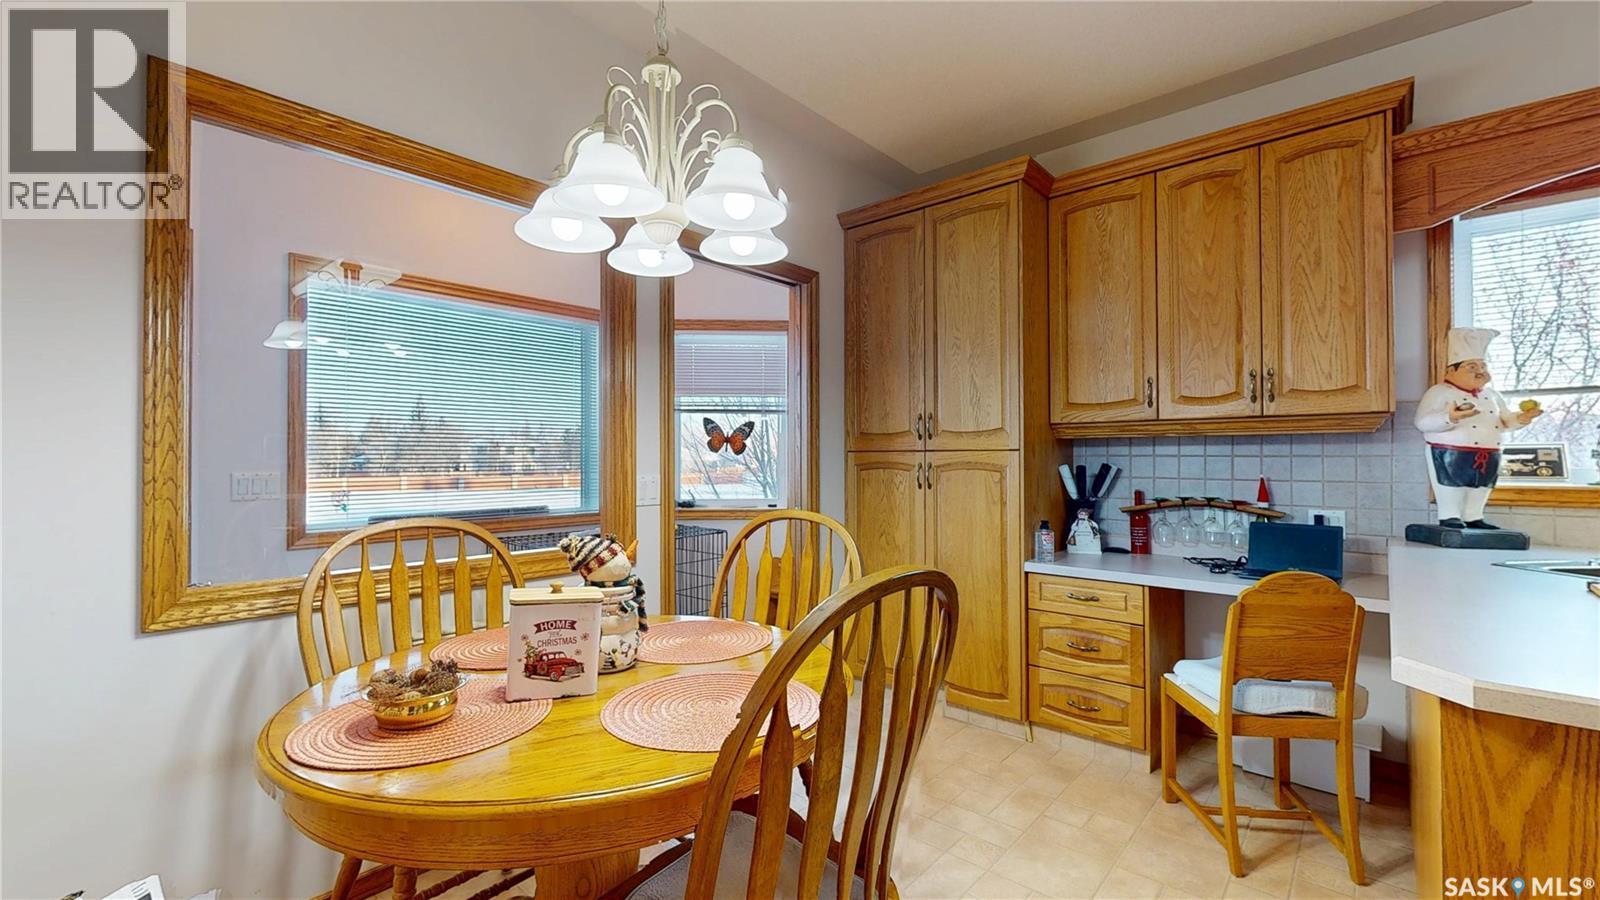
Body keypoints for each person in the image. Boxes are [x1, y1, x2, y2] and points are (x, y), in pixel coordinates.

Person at [1414, 327, 1543, 529]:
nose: (1480, 371)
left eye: (1483, 366)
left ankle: (1474, 516)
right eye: (1471, 367)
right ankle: (1450, 516)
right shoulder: (1440, 392)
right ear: (1451, 371)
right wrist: (1450, 416)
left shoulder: (1492, 395)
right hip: (1450, 452)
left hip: (1489, 452)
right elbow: (1422, 422)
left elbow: (1505, 420)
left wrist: (1522, 418)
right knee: (1451, 485)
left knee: (1481, 486)